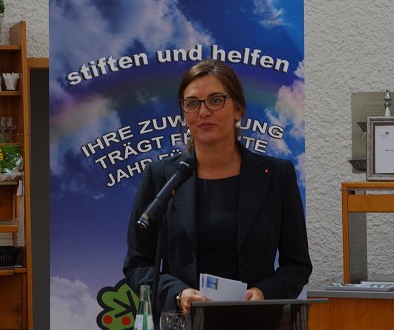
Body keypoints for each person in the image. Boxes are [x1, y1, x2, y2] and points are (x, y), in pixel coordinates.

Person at [123, 59, 312, 325]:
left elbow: (297, 264)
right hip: (184, 323)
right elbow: (138, 264)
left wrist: (264, 293)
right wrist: (178, 294)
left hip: (255, 322)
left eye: (215, 100)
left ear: (239, 109)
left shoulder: (276, 175)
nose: (203, 111)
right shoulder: (160, 177)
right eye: (192, 103)